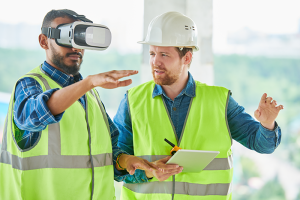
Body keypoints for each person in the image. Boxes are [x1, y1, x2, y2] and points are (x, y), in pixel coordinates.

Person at [113, 11, 284, 200]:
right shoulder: (132, 100)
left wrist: (267, 125)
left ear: (186, 58)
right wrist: (149, 172)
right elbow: (117, 165)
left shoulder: (220, 101)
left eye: (164, 54)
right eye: (152, 53)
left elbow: (262, 145)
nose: (155, 62)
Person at [0, 9, 158, 200]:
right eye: (67, 37)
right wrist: (88, 83)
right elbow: (33, 116)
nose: (76, 48)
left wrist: (126, 161)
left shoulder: (89, 94)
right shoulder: (30, 84)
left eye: (80, 39)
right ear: (43, 41)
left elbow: (110, 153)